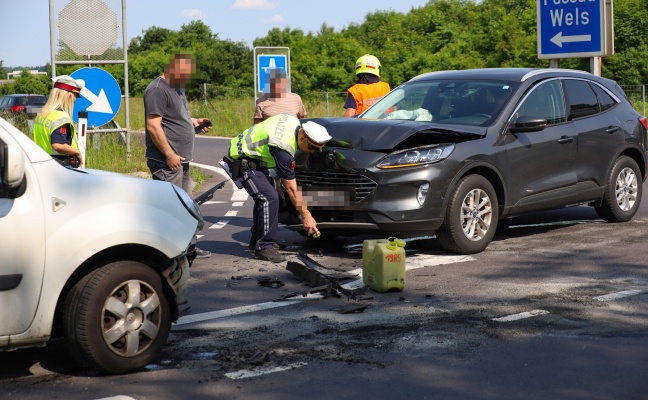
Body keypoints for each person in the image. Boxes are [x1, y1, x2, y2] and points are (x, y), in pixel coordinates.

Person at [227, 114, 332, 263]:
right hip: (241, 160)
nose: (313, 152)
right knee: (268, 197)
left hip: (253, 158)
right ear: (302, 137)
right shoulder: (283, 148)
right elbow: (291, 188)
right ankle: (264, 246)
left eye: (317, 149)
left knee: (269, 197)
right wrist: (306, 215)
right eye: (311, 147)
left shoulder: (293, 121)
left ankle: (257, 240)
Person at [144, 53, 212, 259]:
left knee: (186, 206)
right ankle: (166, 252)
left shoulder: (177, 89)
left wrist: (193, 122)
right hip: (167, 161)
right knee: (171, 208)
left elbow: (176, 117)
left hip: (181, 159)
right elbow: (153, 125)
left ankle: (188, 248)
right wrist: (169, 154)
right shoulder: (157, 89)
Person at [34, 75, 85, 166]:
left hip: (41, 163)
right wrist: (77, 153)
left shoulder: (41, 114)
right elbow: (58, 145)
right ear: (69, 96)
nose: (75, 100)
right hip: (59, 166)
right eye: (75, 96)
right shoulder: (61, 117)